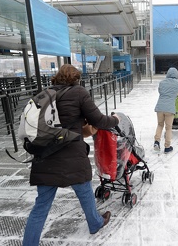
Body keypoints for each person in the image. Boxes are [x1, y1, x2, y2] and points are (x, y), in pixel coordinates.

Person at [23, 64, 120, 246]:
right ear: (76, 78)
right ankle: (95, 223)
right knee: (85, 193)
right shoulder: (79, 92)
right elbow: (98, 120)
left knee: (40, 207)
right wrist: (115, 119)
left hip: (45, 157)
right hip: (72, 156)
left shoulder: (44, 94)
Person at [153, 67, 178, 153]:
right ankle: (167, 147)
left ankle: (156, 142)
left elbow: (160, 91)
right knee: (168, 128)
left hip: (160, 107)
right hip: (170, 109)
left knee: (160, 125)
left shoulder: (162, 82)